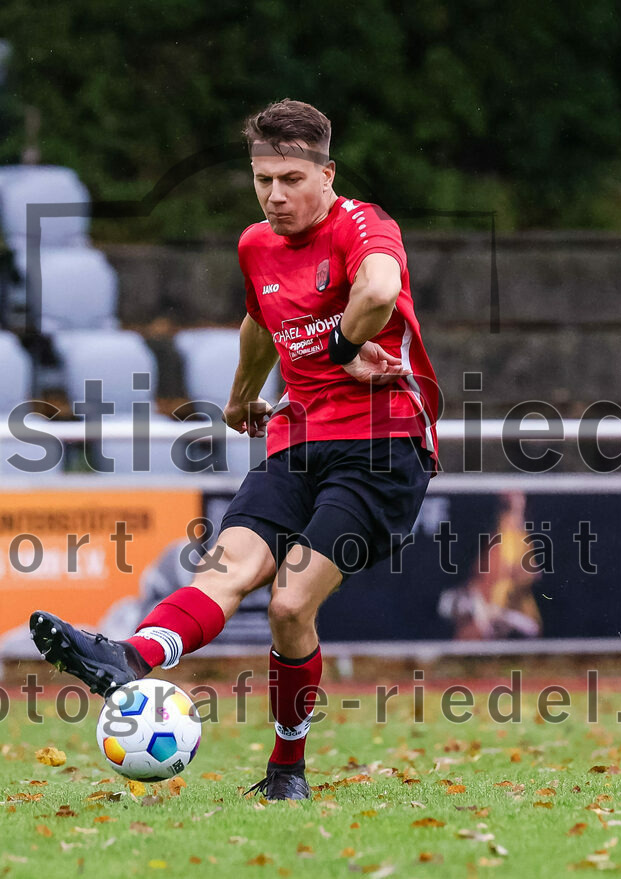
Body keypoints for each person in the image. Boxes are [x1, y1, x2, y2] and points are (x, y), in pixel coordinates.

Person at [31, 98, 440, 800]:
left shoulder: (363, 225)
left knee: (287, 605)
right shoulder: (256, 245)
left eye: (290, 179)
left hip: (382, 446)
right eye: (262, 181)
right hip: (297, 439)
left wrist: (342, 347)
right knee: (226, 568)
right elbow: (259, 317)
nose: (275, 196)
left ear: (325, 173)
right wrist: (243, 393)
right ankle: (131, 655)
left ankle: (288, 768)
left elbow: (379, 287)